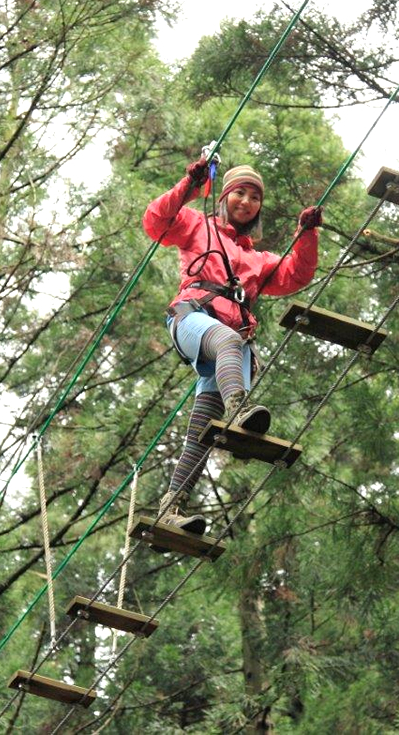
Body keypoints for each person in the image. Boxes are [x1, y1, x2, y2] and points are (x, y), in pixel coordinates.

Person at [142, 156, 323, 535]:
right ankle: (239, 406)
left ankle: (170, 508)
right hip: (191, 318)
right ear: (224, 196)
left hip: (232, 344)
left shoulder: (258, 260)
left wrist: (307, 234)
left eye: (254, 197)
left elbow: (297, 274)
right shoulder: (195, 225)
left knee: (203, 429)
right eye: (239, 192)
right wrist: (189, 186)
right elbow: (156, 222)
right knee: (225, 338)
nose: (246, 201)